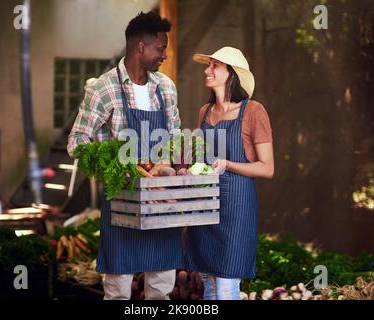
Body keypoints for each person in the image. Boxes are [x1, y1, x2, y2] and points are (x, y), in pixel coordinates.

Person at [67, 11, 183, 300]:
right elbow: (77, 141)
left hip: (161, 201)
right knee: (118, 292)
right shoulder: (104, 88)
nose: (165, 56)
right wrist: (113, 167)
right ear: (141, 47)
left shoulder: (165, 88)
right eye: (161, 48)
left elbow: (176, 136)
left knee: (160, 292)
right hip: (122, 201)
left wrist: (166, 163)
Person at [185, 47, 274, 300]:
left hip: (236, 211)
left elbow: (267, 167)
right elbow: (200, 160)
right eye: (208, 65)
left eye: (215, 66)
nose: (207, 70)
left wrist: (228, 164)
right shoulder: (204, 112)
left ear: (231, 74)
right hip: (204, 208)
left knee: (226, 288)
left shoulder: (253, 111)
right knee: (209, 287)